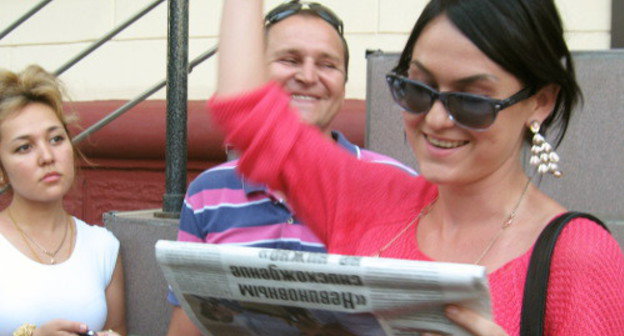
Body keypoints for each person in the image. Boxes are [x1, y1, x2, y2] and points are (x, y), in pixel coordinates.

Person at [208, 0, 624, 335]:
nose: (437, 119)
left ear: (541, 101)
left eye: (472, 100)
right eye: (418, 89)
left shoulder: (580, 257)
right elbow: (250, 115)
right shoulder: (369, 197)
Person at [166, 2, 416, 335]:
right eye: (289, 60)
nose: (308, 76)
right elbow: (189, 321)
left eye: (327, 65)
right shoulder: (206, 194)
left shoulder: (393, 185)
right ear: (257, 71)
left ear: (344, 82)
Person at [0, 65, 126, 336]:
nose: (47, 156)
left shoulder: (102, 246)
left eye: (56, 139)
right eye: (24, 147)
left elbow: (118, 330)